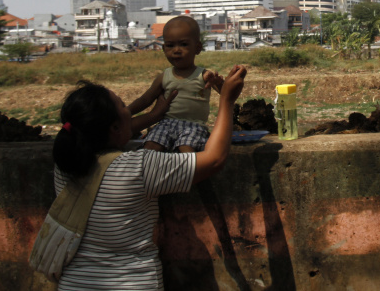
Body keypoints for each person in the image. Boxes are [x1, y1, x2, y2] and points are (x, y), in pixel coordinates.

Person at [51, 64, 247, 290]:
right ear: (114, 128)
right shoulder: (138, 168)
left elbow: (121, 130)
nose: (129, 110)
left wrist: (155, 114)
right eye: (124, 106)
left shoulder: (65, 164)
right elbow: (214, 159)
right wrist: (227, 101)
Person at [129, 15, 223, 153]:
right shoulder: (164, 77)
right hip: (166, 124)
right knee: (151, 147)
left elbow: (227, 94)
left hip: (194, 126)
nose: (176, 50)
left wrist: (220, 83)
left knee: (187, 150)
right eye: (170, 45)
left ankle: (191, 175)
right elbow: (145, 99)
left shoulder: (203, 75)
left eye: (183, 44)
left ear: (197, 48)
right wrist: (126, 112)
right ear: (163, 49)